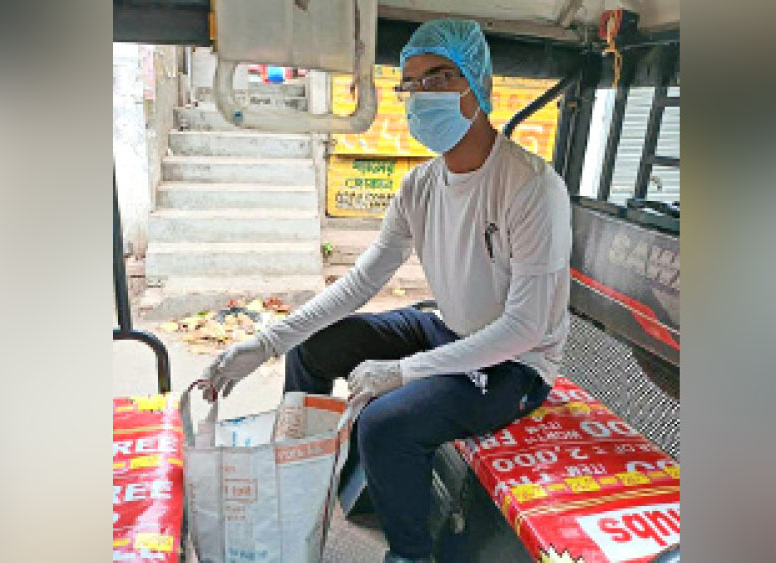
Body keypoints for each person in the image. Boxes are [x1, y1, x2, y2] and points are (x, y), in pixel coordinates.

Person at [203, 18, 572, 563]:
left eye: (439, 77)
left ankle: (411, 553)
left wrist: (402, 372)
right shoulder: (419, 186)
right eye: (411, 82)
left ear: (478, 83)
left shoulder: (531, 188)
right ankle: (300, 482)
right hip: (448, 330)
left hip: (514, 365)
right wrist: (267, 342)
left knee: (384, 422)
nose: (422, 94)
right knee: (314, 348)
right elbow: (361, 281)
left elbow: (525, 328)